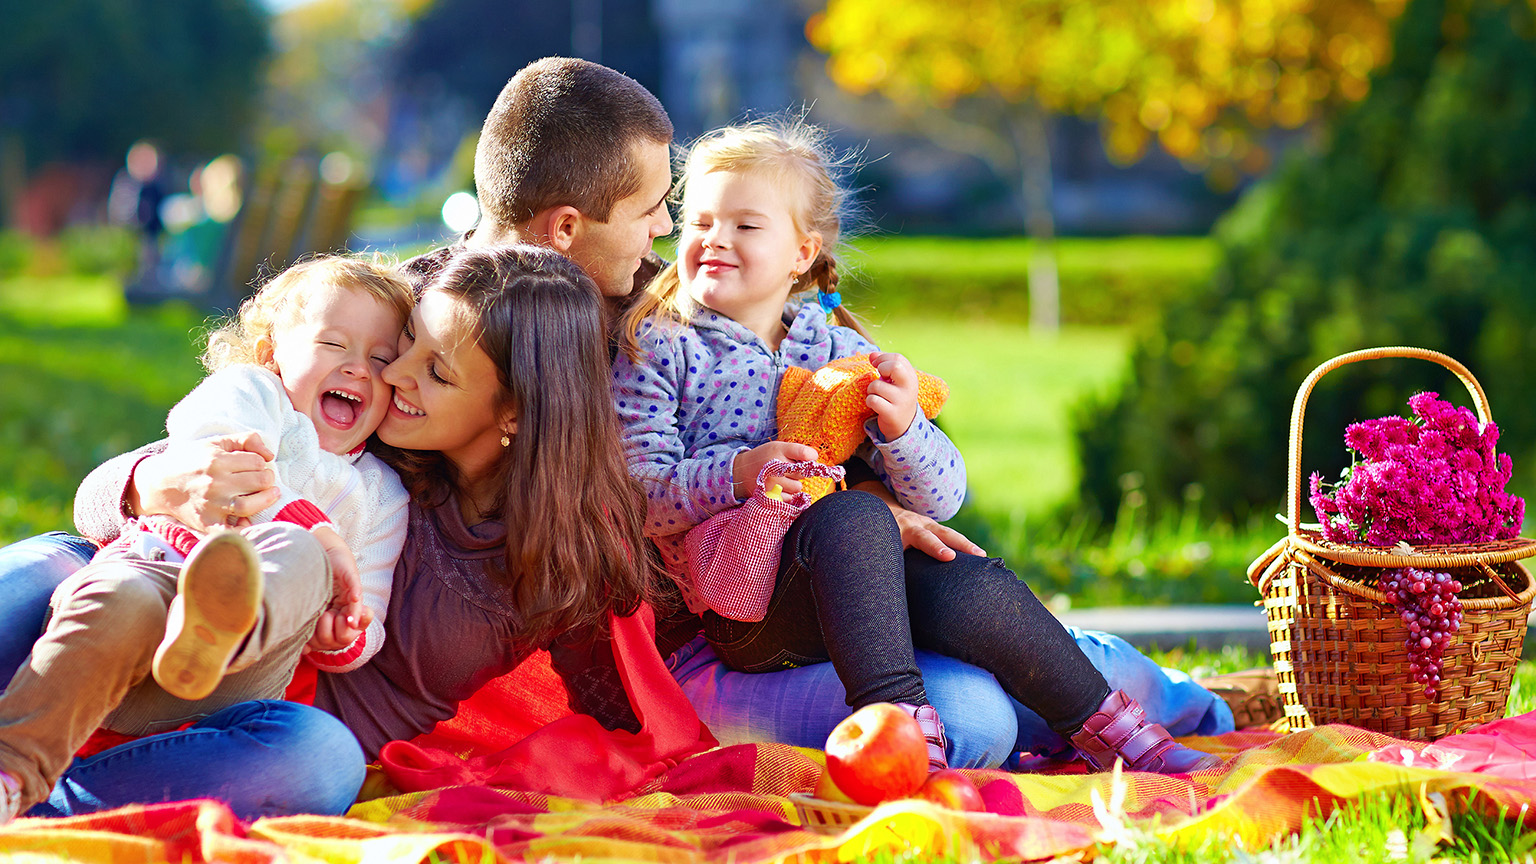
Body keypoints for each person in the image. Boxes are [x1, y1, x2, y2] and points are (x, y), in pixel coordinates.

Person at [0, 55, 1230, 788]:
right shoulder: (412, 339)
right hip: (397, 642)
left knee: (956, 671)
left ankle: (1145, 695)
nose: (670, 236)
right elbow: (256, 411)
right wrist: (147, 481)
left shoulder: (646, 318)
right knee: (54, 571)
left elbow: (800, 402)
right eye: (653, 209)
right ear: (560, 228)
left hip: (712, 608)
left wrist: (850, 499)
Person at [613, 118, 1221, 774]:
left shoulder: (840, 351)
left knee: (962, 577)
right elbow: (636, 495)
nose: (715, 240)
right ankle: (902, 736)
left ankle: (1117, 735)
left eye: (745, 225)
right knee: (854, 516)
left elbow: (943, 497)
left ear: (802, 253)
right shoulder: (661, 345)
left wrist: (904, 431)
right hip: (748, 611)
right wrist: (739, 471)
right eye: (700, 221)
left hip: (860, 594)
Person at [0, 255, 414, 823]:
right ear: (272, 354)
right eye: (334, 345)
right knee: (120, 598)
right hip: (153, 576)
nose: (358, 370)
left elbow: (366, 608)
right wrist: (311, 522)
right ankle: (14, 775)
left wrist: (342, 631)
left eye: (381, 359)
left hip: (237, 666)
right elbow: (212, 444)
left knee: (304, 559)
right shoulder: (252, 396)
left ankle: (219, 628)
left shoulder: (382, 495)